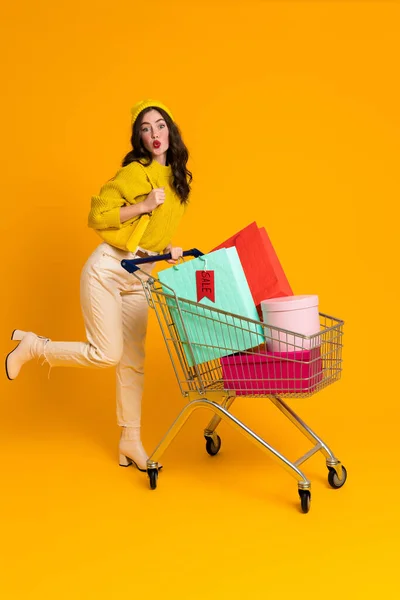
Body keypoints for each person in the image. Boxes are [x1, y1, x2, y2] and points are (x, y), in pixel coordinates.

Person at [5, 99, 192, 472]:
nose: (154, 134)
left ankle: (130, 441)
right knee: (107, 353)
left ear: (170, 130)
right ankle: (34, 347)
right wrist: (141, 206)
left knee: (133, 362)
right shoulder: (136, 174)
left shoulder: (177, 181)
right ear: (139, 138)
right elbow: (97, 214)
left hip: (141, 273)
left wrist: (167, 251)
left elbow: (152, 236)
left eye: (159, 126)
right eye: (145, 129)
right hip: (108, 268)